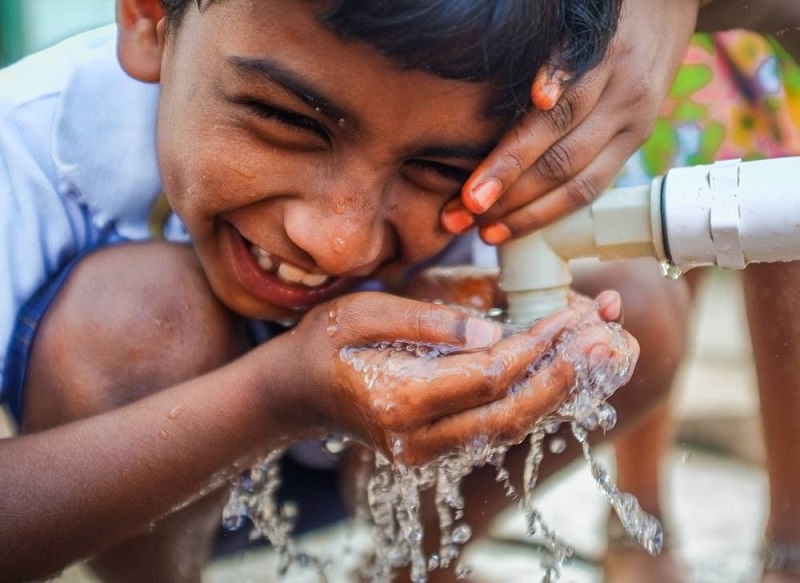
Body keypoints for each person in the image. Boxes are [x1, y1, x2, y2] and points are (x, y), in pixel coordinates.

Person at [0, 1, 689, 582]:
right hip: (112, 485)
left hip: (355, 475)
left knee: (635, 312)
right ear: (150, 17)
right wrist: (275, 394)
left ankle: (413, 565)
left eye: (435, 168)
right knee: (143, 318)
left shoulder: (515, 111)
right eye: (288, 120)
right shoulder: (21, 150)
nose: (340, 242)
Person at [451, 1, 800, 582]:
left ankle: (793, 536)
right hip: (642, 24)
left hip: (760, 32)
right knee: (655, 219)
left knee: (783, 225)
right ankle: (638, 518)